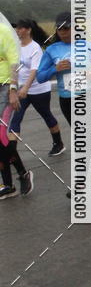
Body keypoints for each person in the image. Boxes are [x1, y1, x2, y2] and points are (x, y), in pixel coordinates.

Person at [37, 12, 91, 197]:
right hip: (67, 99)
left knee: (82, 138)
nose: (63, 32)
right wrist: (55, 69)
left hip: (88, 96)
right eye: (60, 29)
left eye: (67, 28)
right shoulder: (52, 50)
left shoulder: (86, 45)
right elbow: (40, 76)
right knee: (84, 137)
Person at [9, 19, 64, 157]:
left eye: (20, 28)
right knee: (16, 119)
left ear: (28, 30)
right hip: (22, 90)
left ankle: (58, 144)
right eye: (16, 28)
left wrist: (26, 88)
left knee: (46, 115)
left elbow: (35, 70)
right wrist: (14, 89)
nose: (17, 31)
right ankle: (11, 153)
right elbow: (14, 69)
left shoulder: (35, 48)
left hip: (39, 89)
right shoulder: (15, 47)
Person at [0, 14, 33, 198]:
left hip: (5, 88)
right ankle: (12, 181)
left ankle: (17, 178)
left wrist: (13, 89)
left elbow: (14, 62)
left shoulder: (3, 31)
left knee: (1, 135)